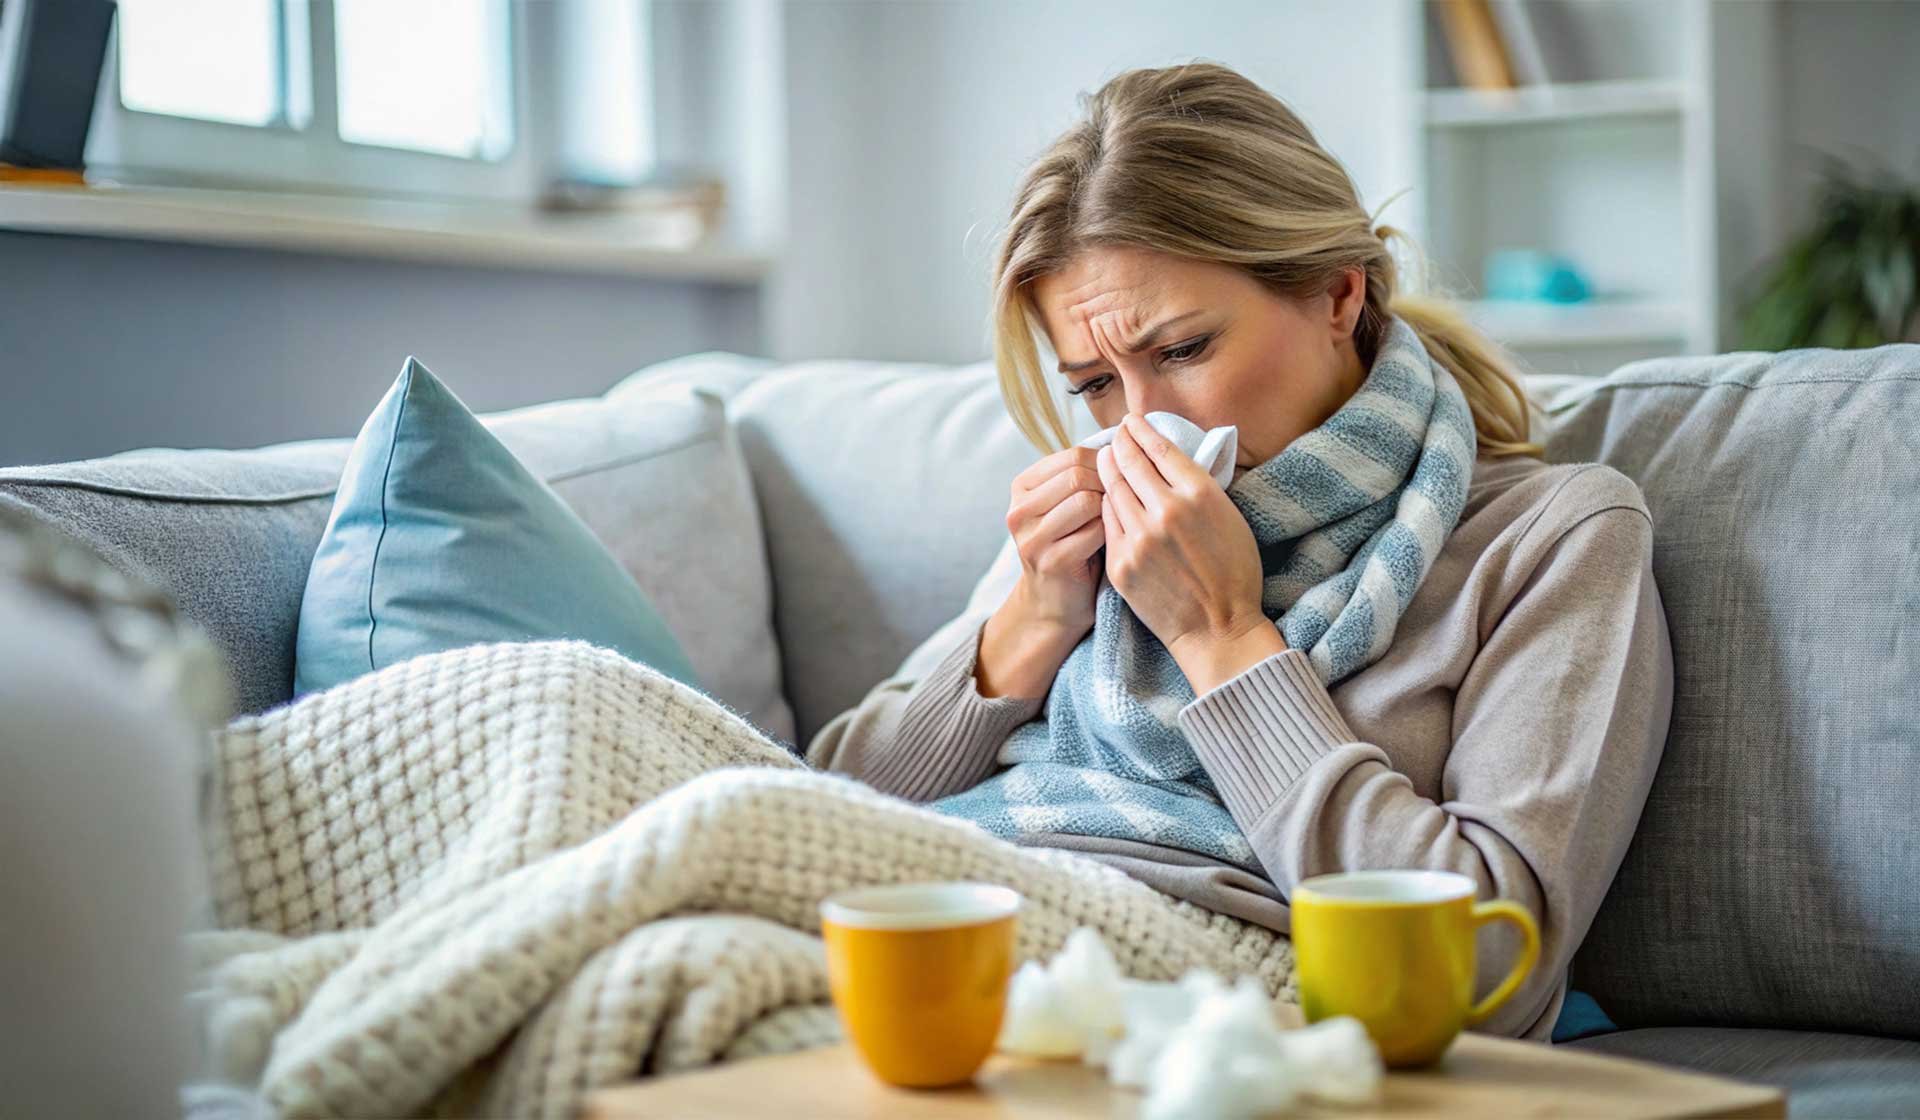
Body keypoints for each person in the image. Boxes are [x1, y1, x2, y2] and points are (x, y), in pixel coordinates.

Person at [805, 61, 1673, 1042]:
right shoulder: (1087, 529)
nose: (1141, 425)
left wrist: (1220, 635)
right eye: (1094, 384)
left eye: (1182, 351)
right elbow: (830, 814)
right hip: (950, 924)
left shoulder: (1550, 539)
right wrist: (1034, 620)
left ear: (1336, 294)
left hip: (1184, 996)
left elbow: (1485, 968)